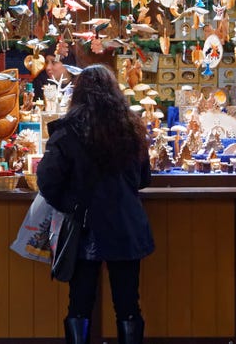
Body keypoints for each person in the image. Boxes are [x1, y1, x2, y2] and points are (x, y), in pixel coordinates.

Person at [37, 64, 153, 344]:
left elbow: (47, 180)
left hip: (85, 227)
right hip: (125, 224)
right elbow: (143, 178)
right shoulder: (131, 127)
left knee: (79, 305)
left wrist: (72, 204)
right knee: (128, 305)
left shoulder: (67, 130)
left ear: (79, 92)